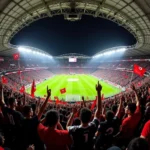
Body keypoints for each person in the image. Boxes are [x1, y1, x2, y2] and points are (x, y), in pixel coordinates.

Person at [66, 81, 102, 150]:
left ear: (79, 117)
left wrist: (73, 114)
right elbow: (99, 110)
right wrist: (99, 92)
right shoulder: (93, 125)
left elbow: (67, 126)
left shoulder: (75, 129)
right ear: (90, 118)